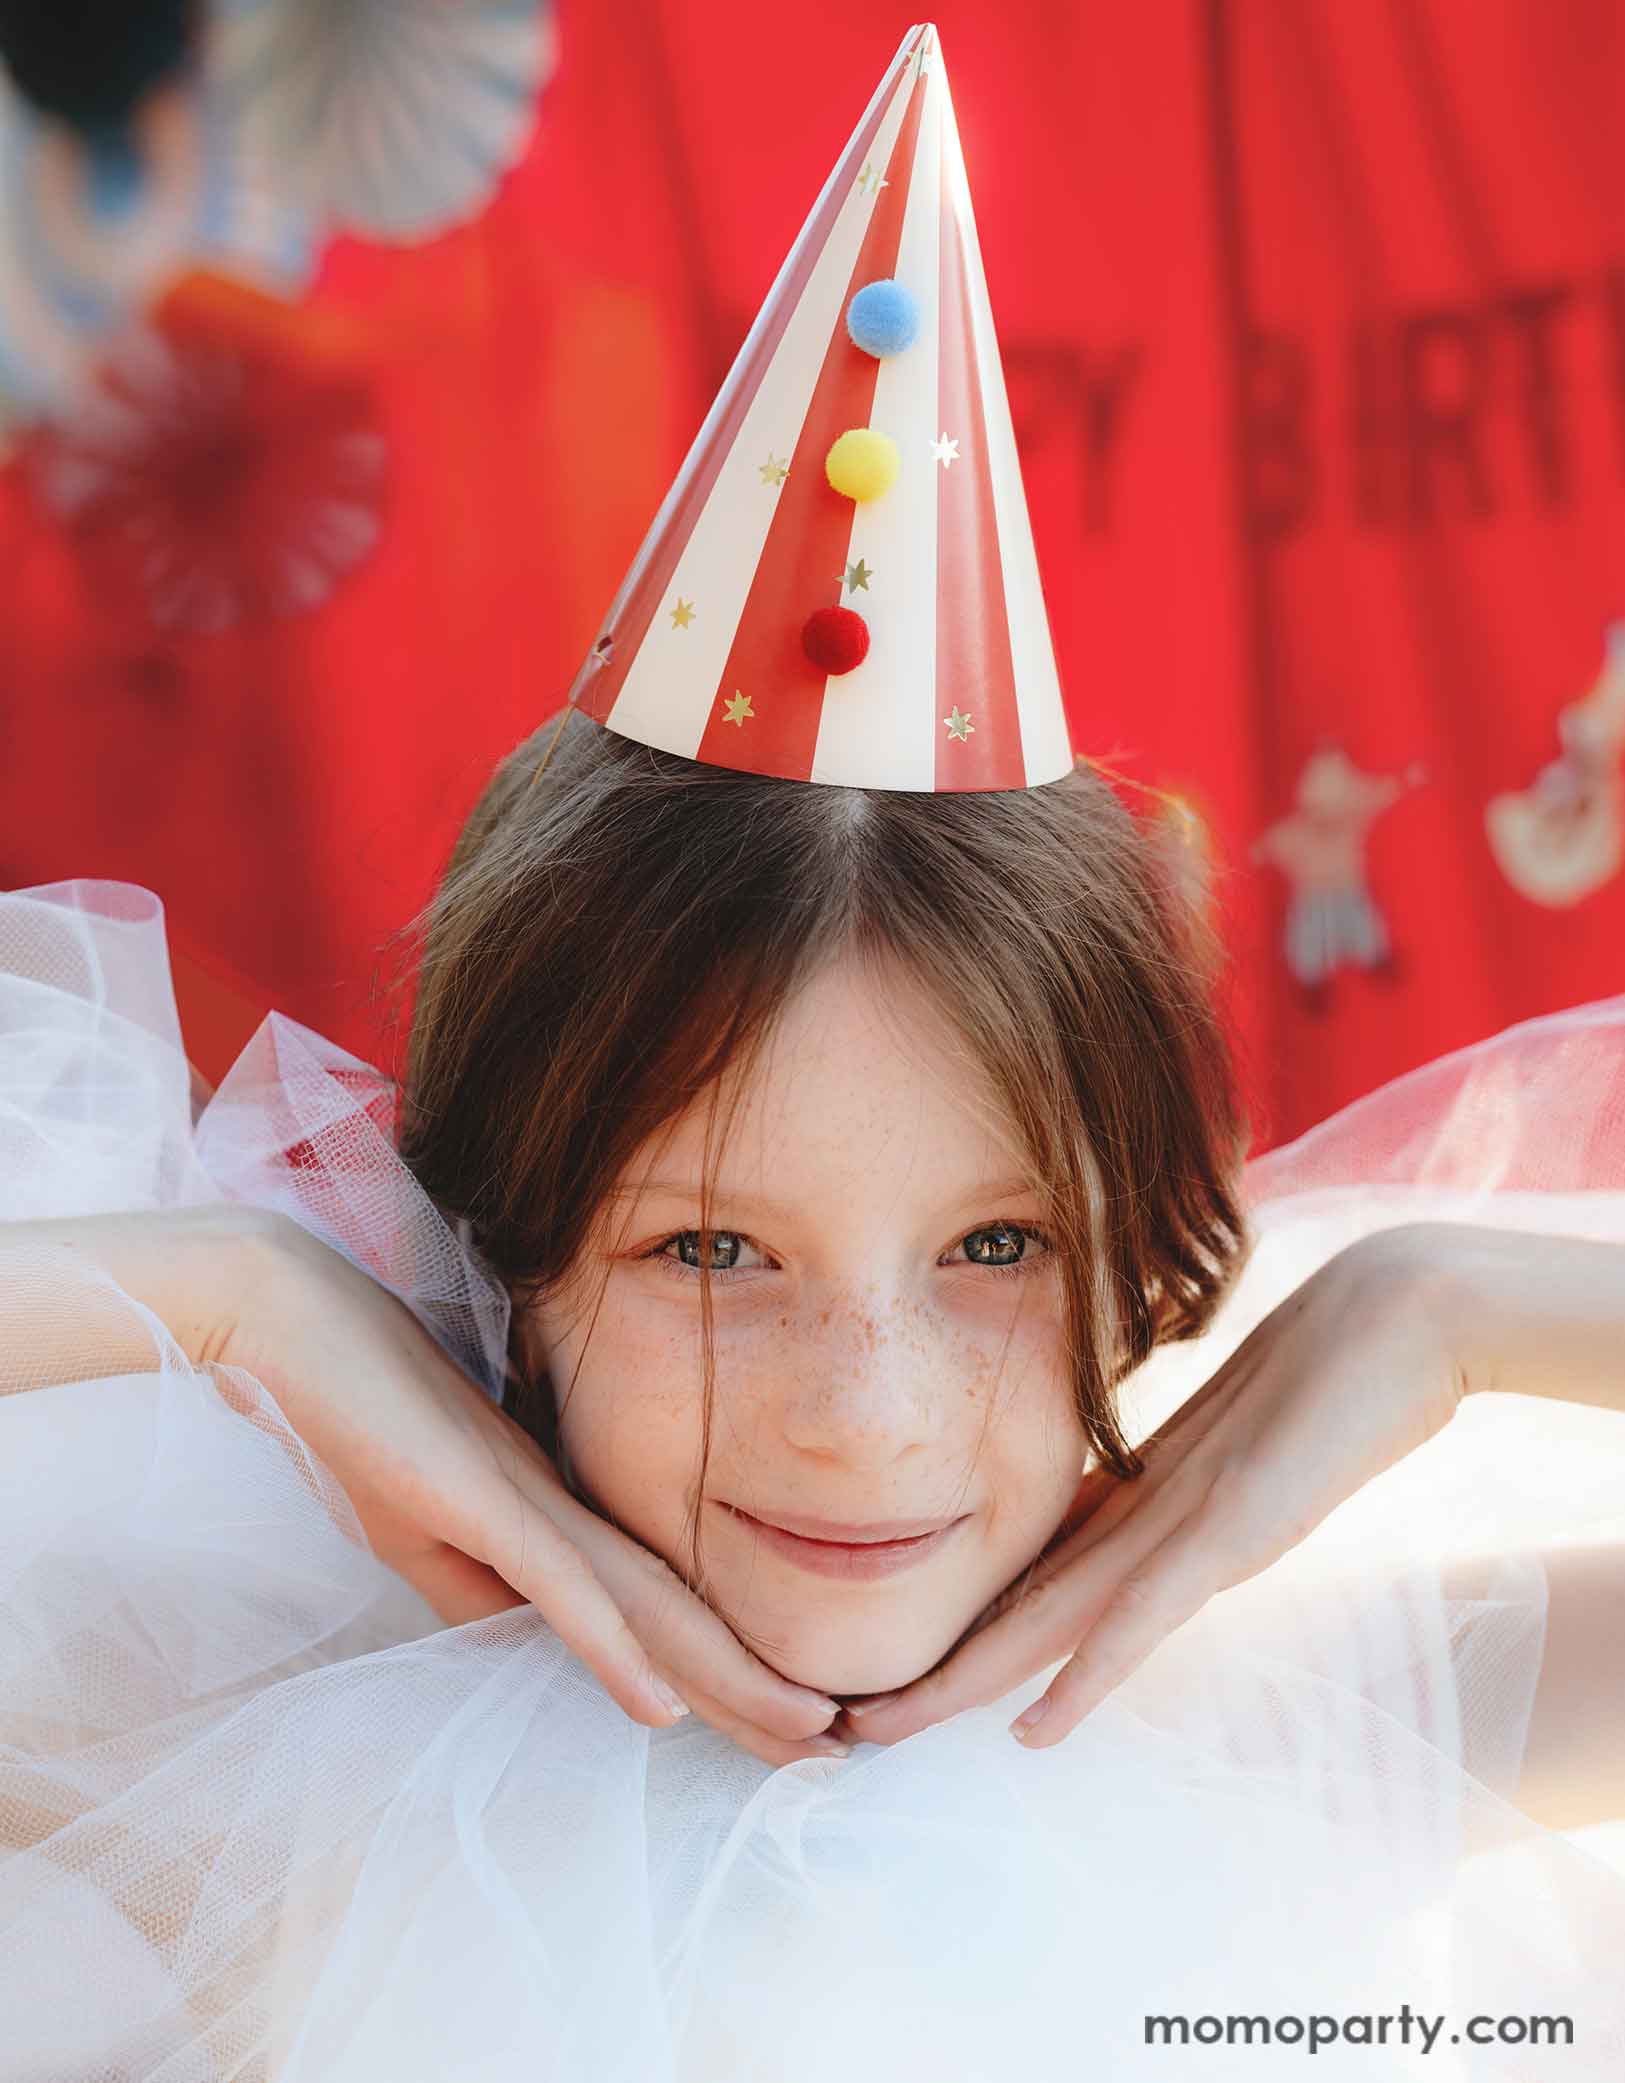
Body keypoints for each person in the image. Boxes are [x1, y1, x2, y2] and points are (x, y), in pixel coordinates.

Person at [4, 21, 1625, 2078]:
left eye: (995, 1250)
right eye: (708, 1252)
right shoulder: (254, 1756)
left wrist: (1448, 1305)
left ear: (1132, 1243)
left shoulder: (1315, 1720)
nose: (865, 1418)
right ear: (512, 1249)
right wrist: (250, 1303)